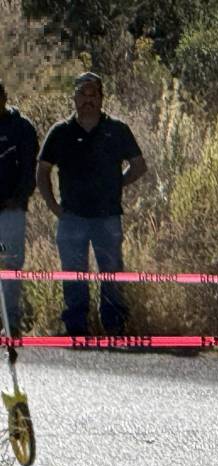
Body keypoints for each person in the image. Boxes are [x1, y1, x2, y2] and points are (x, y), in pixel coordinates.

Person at [36, 72, 146, 336]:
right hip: (71, 217)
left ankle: (115, 326)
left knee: (111, 273)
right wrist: (54, 207)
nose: (88, 100)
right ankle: (76, 328)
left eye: (93, 94)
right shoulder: (60, 132)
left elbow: (139, 166)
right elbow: (42, 171)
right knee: (74, 275)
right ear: (74, 98)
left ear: (101, 97)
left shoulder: (116, 129)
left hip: (107, 217)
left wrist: (115, 184)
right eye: (82, 94)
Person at [0, 79, 39, 336]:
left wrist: (17, 199)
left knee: (11, 264)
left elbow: (30, 171)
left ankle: (10, 322)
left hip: (11, 211)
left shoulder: (21, 127)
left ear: (3, 97)